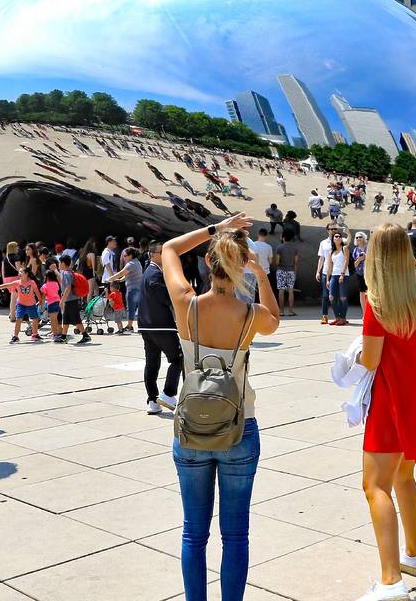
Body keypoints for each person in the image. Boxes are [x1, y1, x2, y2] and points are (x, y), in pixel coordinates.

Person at [160, 214, 280, 601]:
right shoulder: (250, 316)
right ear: (240, 265)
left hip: (192, 429)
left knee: (193, 532)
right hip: (238, 426)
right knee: (236, 534)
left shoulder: (187, 306)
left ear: (208, 265)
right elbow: (275, 320)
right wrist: (259, 276)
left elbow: (169, 249)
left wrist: (217, 228)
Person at [356, 223, 416, 601]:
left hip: (392, 399)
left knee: (375, 486)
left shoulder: (378, 301)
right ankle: (415, 556)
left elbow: (371, 359)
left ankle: (390, 580)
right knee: (405, 477)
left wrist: (355, 353)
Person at [138, 241, 183, 415]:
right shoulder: (155, 274)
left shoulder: (149, 272)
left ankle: (152, 400)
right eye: (161, 252)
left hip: (147, 326)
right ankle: (168, 394)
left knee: (152, 364)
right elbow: (167, 298)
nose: (165, 256)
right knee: (178, 358)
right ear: (152, 255)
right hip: (161, 326)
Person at [0, 268, 42, 343]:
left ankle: (35, 334)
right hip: (21, 304)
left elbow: (37, 292)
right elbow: (7, 285)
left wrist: (41, 302)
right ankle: (15, 336)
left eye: (21, 272)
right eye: (19, 272)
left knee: (35, 319)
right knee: (18, 319)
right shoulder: (17, 282)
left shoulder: (32, 282)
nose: (19, 273)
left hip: (31, 304)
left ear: (26, 274)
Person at [325, 231, 351, 326]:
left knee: (343, 297)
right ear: (333, 239)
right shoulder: (331, 251)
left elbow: (346, 261)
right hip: (334, 276)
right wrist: (328, 279)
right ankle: (337, 317)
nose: (338, 237)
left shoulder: (344, 248)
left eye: (340, 236)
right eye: (336, 236)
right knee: (331, 297)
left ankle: (343, 318)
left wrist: (342, 274)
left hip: (343, 275)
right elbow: (329, 267)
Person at [274, 230, 299, 317]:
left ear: (283, 237)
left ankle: (281, 311)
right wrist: (295, 273)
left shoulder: (279, 248)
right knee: (291, 291)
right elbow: (296, 262)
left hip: (281, 270)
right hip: (291, 270)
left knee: (281, 291)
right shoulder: (295, 248)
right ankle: (291, 311)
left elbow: (277, 262)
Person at [249, 230, 275, 303]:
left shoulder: (252, 245)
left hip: (253, 271)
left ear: (258, 235)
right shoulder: (268, 247)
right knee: (264, 290)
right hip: (265, 271)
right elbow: (270, 261)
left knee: (253, 290)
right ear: (266, 236)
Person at [351, 231, 369, 312]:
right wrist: (360, 259)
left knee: (370, 292)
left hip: (369, 273)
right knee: (362, 292)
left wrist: (366, 257)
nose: (358, 238)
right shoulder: (355, 250)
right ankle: (364, 312)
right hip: (360, 274)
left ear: (364, 238)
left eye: (360, 237)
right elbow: (354, 265)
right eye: (357, 237)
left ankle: (371, 312)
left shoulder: (369, 248)